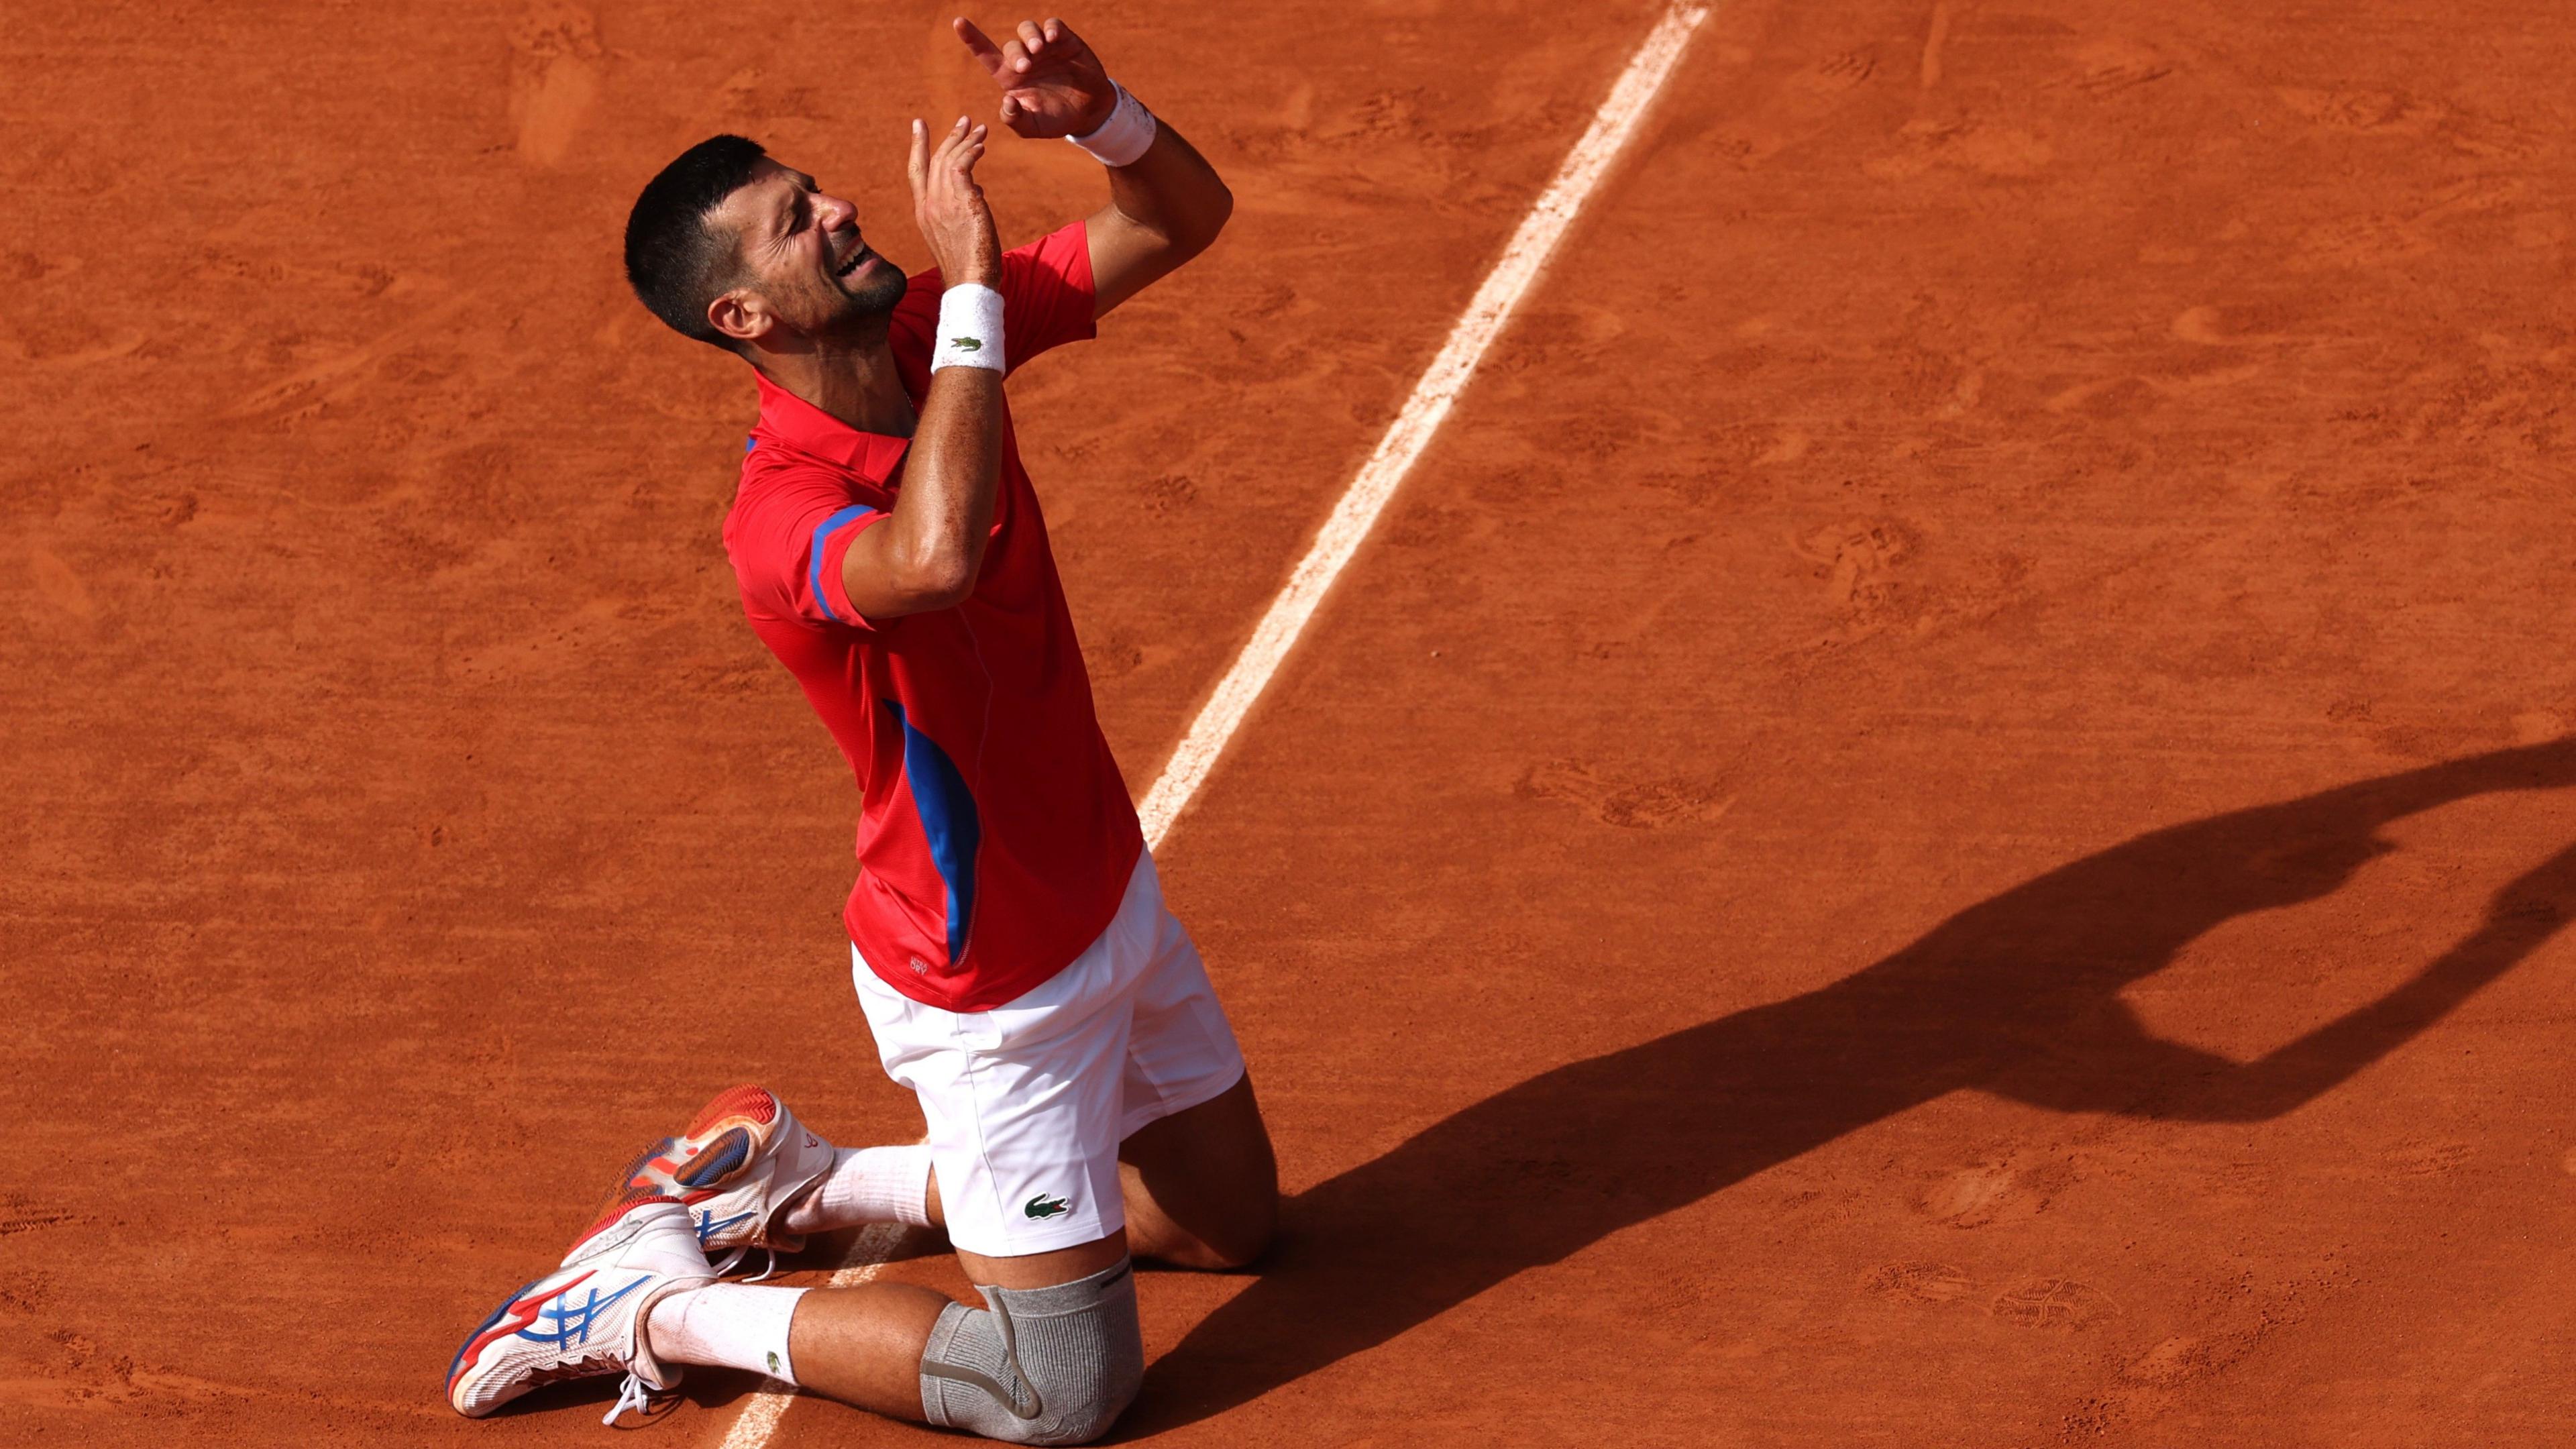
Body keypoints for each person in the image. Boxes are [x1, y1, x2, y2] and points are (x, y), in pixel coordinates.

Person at [445, 17, 1277, 1443]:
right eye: (793, 222)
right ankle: (649, 1304)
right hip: (987, 986)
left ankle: (798, 1190)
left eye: (814, 186)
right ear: (746, 321)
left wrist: (1103, 118)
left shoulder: (920, 341)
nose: (838, 207)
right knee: (1062, 1395)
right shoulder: (781, 522)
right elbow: (932, 554)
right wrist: (970, 291)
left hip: (1102, 890)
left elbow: (1178, 220)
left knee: (1228, 1229)